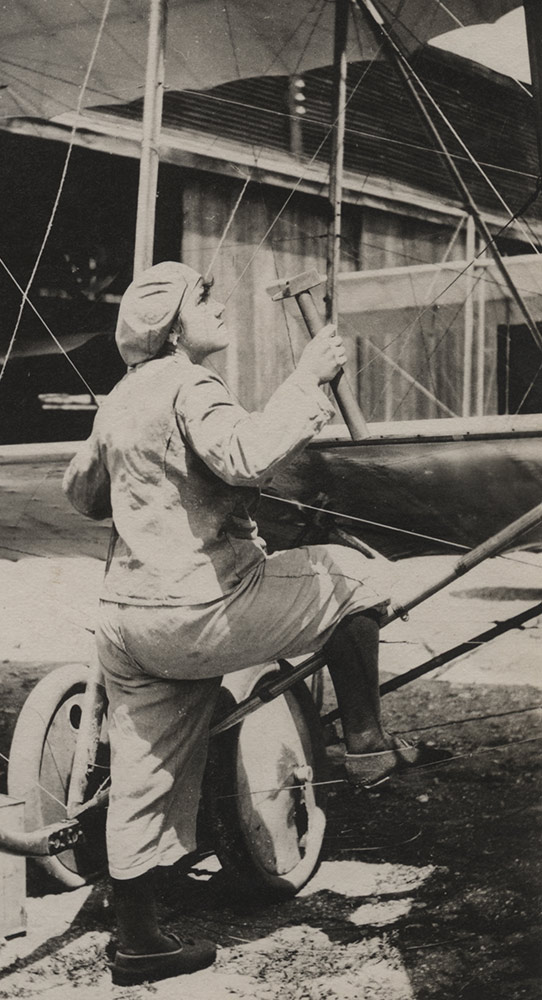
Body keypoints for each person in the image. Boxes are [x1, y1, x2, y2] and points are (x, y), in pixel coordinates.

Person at [63, 260, 448, 985]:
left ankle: (140, 942)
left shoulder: (118, 397)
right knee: (353, 573)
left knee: (144, 774)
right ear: (172, 327)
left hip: (126, 621)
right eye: (202, 299)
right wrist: (306, 377)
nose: (217, 308)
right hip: (200, 609)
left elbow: (82, 494)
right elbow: (245, 456)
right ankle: (364, 742)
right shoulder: (192, 382)